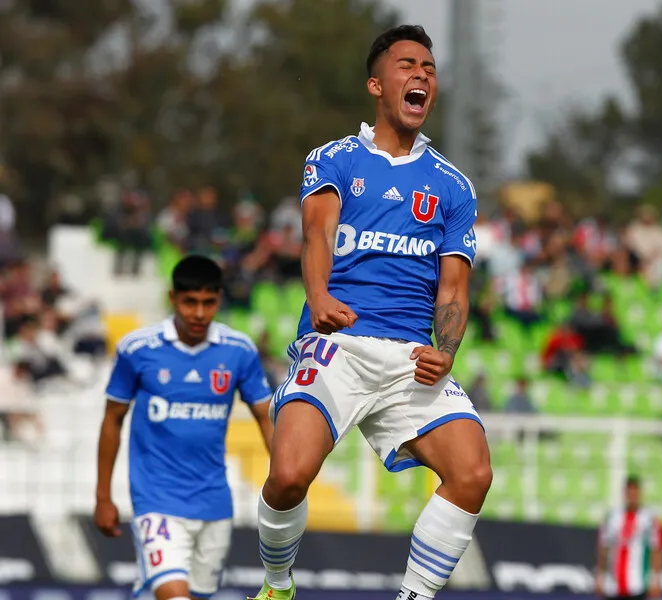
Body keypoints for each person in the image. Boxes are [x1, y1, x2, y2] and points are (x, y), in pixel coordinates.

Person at [251, 24, 490, 600]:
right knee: (286, 476)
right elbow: (317, 234)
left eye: (430, 69)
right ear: (376, 84)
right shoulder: (334, 158)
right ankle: (278, 586)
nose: (422, 76)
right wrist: (318, 297)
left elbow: (454, 286)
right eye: (408, 65)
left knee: (473, 473)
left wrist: (446, 349)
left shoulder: (453, 186)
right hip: (337, 346)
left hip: (409, 358)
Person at [94, 255, 274, 600]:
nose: (200, 313)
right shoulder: (138, 349)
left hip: (214, 504)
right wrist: (103, 496)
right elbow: (112, 419)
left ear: (220, 298)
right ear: (172, 297)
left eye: (209, 302)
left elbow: (265, 416)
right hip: (156, 500)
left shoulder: (239, 351)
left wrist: (285, 479)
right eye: (190, 302)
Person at [596, 476, 662, 599]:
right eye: (629, 493)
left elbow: (657, 550)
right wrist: (600, 576)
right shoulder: (612, 517)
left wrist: (656, 580)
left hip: (638, 585)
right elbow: (603, 547)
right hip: (613, 585)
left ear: (640, 493)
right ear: (625, 493)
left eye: (635, 493)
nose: (632, 497)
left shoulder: (649, 518)